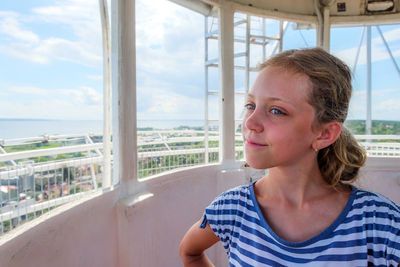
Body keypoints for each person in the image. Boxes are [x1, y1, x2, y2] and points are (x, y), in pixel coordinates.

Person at [179, 48, 400, 266]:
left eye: (277, 111)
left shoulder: (379, 223)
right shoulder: (231, 209)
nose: (249, 123)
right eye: (250, 106)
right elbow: (190, 252)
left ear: (324, 134)